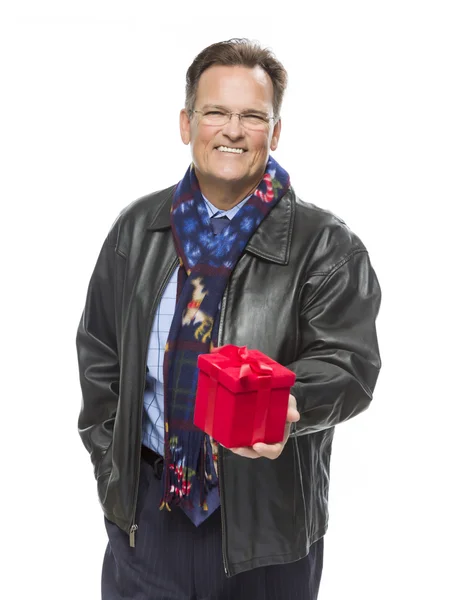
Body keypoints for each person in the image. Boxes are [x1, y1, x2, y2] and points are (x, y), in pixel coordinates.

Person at [76, 38, 382, 600]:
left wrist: (291, 407)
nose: (232, 131)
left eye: (252, 116)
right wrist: (114, 479)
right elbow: (100, 356)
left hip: (267, 526)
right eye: (215, 112)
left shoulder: (327, 247)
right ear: (187, 123)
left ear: (277, 131)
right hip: (148, 520)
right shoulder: (135, 230)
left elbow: (350, 364)